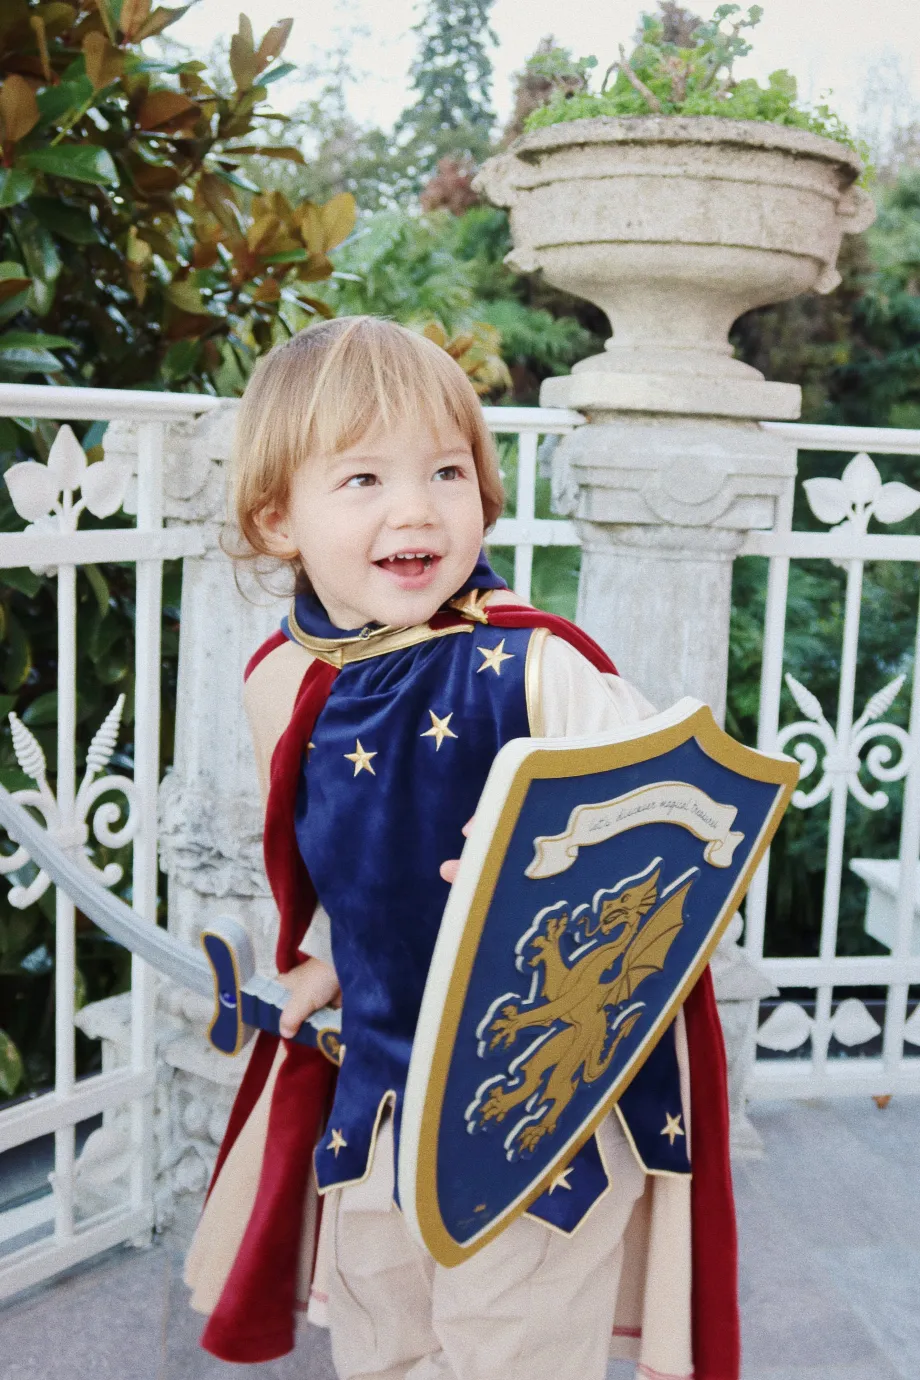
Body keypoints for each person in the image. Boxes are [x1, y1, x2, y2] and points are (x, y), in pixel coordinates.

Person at [184, 316, 739, 1380]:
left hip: (538, 1106)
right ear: (276, 517)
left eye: (446, 471)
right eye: (363, 479)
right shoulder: (284, 681)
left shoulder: (535, 668)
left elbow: (680, 831)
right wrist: (327, 957)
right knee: (382, 1338)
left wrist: (555, 844)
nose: (415, 509)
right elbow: (345, 864)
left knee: (509, 1352)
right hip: (381, 1092)